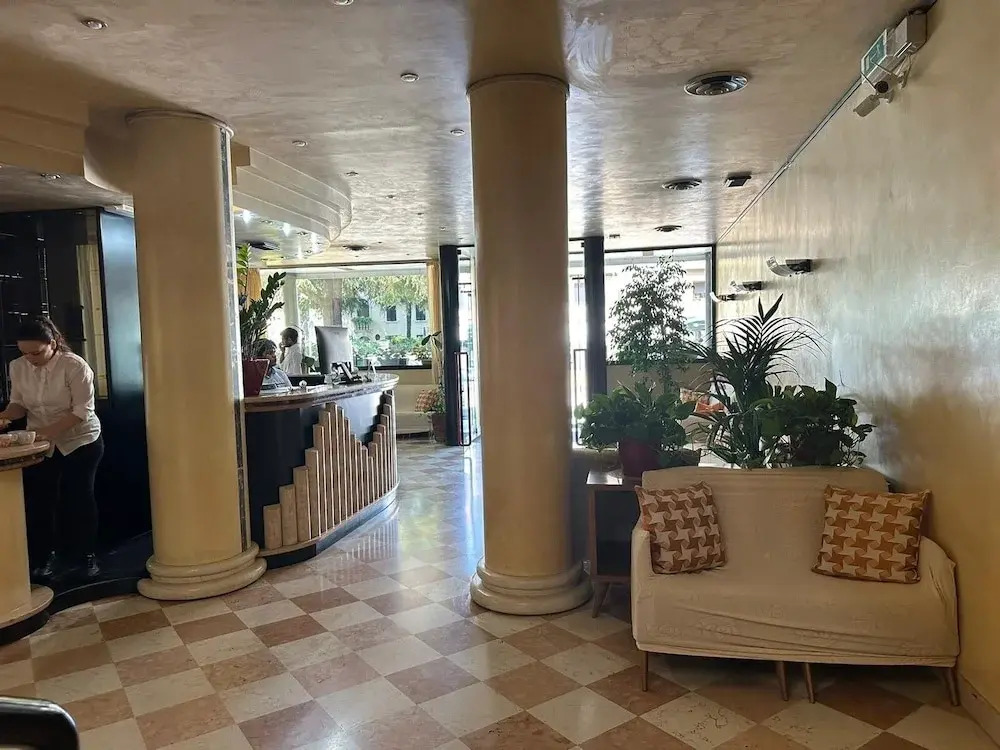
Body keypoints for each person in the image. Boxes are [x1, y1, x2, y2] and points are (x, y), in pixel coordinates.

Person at [0, 316, 103, 580]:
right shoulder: (17, 366)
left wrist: (43, 433)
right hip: (41, 445)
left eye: (36, 352)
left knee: (79, 498)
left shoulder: (75, 366)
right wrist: (5, 416)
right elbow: (18, 404)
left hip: (80, 440)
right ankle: (45, 557)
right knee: (41, 502)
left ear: (53, 343)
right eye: (24, 353)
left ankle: (86, 557)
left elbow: (82, 411)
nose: (30, 358)